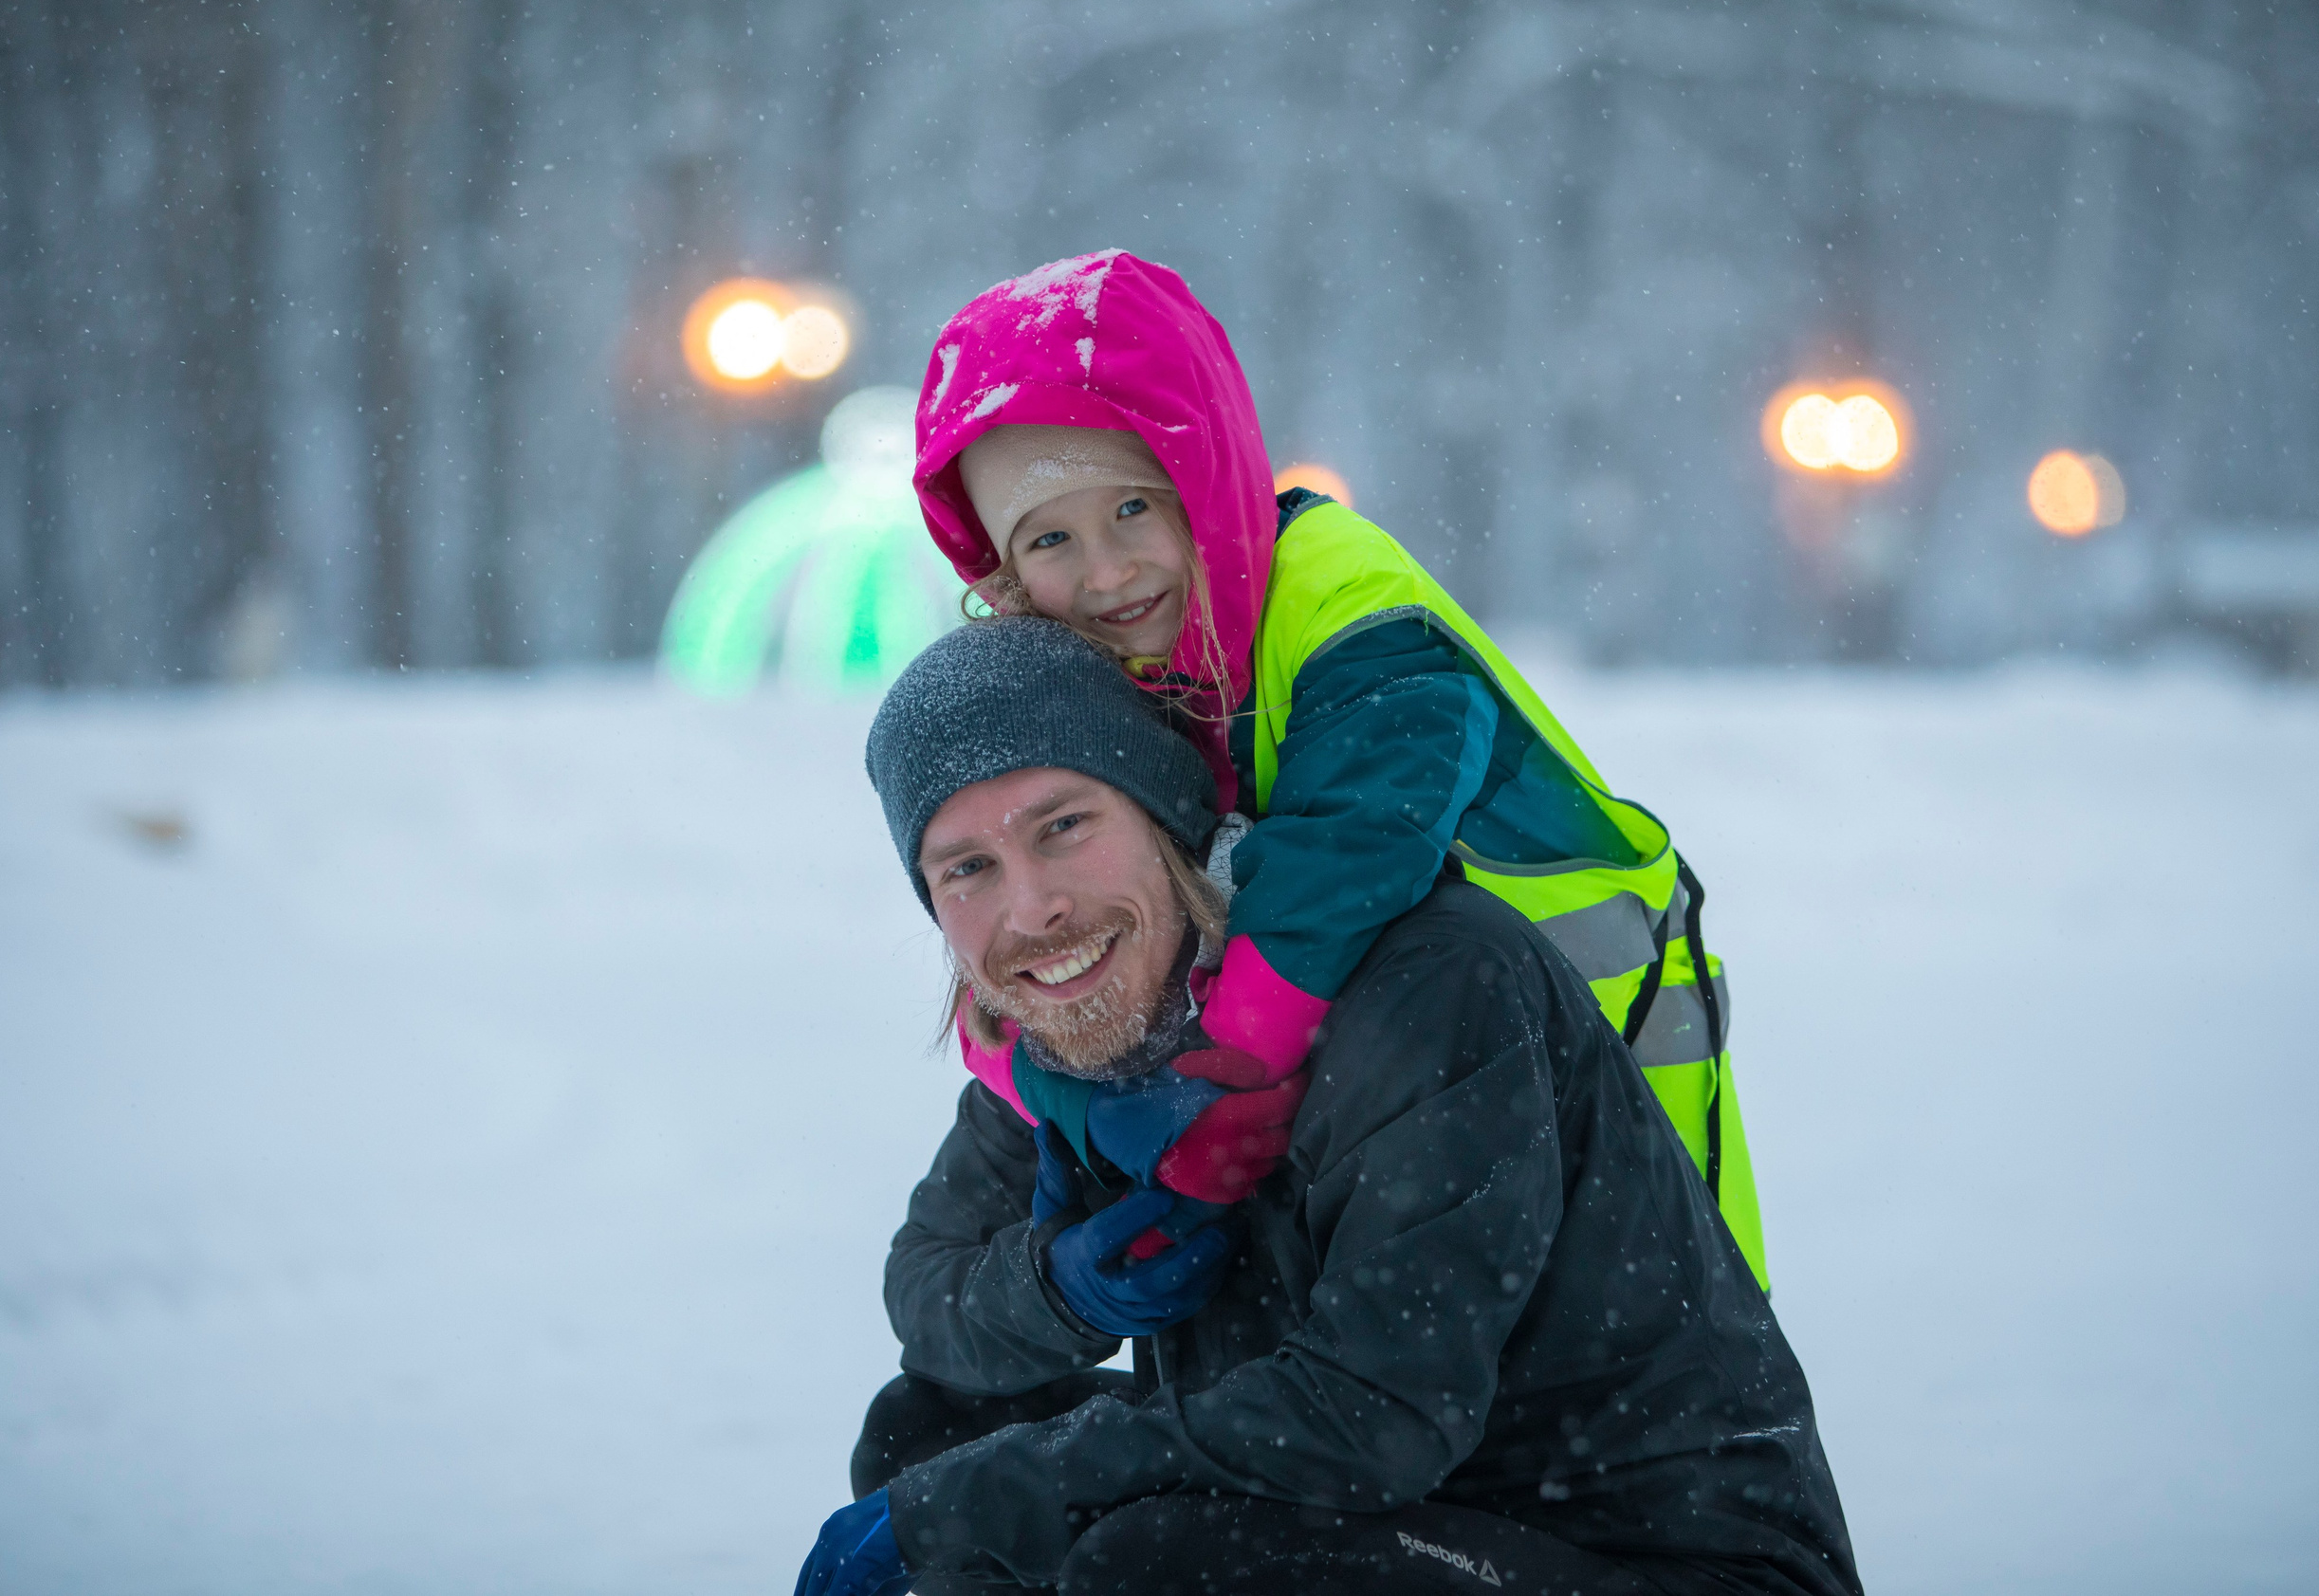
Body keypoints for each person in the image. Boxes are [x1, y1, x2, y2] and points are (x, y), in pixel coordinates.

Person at [793, 615, 1861, 1596]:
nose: (1033, 908)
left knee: (1140, 1555)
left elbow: (1377, 1414)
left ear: (1162, 814)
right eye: (968, 868)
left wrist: (995, 1498)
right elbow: (928, 1287)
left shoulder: (1429, 979)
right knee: (931, 1432)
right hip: (1387, 1518)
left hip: (1645, 1557)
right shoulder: (1080, 1035)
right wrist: (1061, 1291)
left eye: (1064, 826)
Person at [910, 250, 1769, 1287]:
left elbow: (1345, 860)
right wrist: (1093, 1108)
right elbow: (1011, 975)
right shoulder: (1110, 676)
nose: (1107, 569)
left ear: (1204, 481)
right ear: (1004, 571)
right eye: (1051, 538)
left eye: (1135, 507)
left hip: (1610, 1132)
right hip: (1410, 1159)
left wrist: (1205, 1091)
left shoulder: (1348, 607)